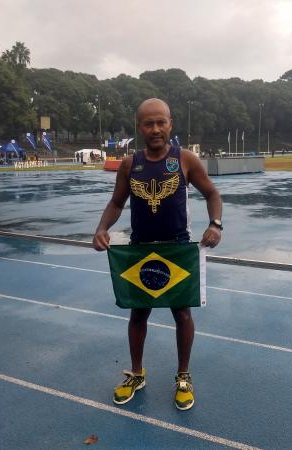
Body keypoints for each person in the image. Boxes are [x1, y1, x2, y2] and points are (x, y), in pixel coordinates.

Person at [92, 98, 222, 411]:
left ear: (170, 124)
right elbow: (116, 203)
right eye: (148, 123)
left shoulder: (185, 160)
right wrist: (102, 228)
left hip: (178, 248)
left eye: (160, 122)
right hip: (141, 250)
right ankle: (137, 374)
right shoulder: (129, 164)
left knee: (182, 314)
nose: (155, 129)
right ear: (140, 127)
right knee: (139, 312)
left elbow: (212, 194)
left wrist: (216, 224)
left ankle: (183, 376)